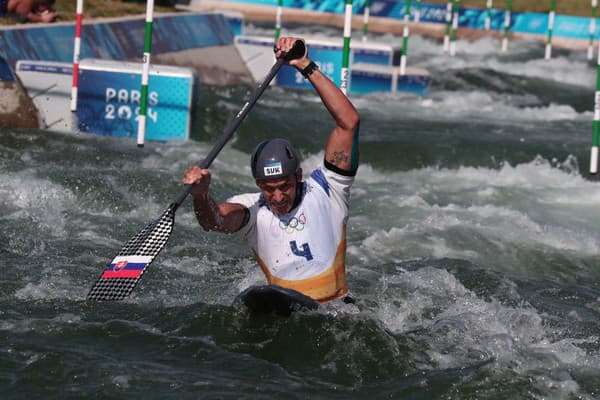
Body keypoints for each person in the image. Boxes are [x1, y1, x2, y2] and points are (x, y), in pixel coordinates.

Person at [182, 36, 360, 304]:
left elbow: (349, 123)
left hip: (337, 311)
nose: (277, 197)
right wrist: (200, 196)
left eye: (284, 186)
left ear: (298, 176)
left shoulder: (328, 189)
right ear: (257, 184)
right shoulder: (253, 210)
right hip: (283, 306)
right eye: (268, 188)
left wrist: (304, 64)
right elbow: (214, 220)